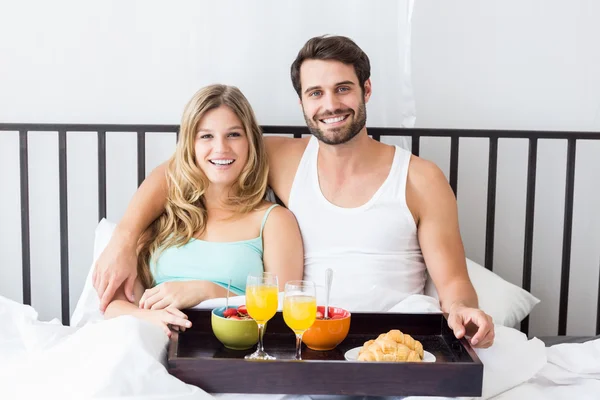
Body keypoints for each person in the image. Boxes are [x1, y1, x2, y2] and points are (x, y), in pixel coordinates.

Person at [96, 36, 494, 347]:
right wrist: (124, 240)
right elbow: (182, 167)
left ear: (366, 90)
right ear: (302, 101)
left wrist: (462, 309)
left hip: (391, 335)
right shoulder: (284, 157)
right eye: (316, 93)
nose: (331, 104)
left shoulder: (420, 178)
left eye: (343, 88)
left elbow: (454, 281)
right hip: (307, 338)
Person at [102, 84, 304, 336]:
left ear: (251, 142)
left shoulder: (273, 221)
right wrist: (149, 317)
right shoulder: (164, 216)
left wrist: (207, 291)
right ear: (191, 146)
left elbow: (283, 314)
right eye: (206, 136)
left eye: (234, 135)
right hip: (150, 340)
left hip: (231, 352)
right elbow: (112, 306)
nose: (221, 148)